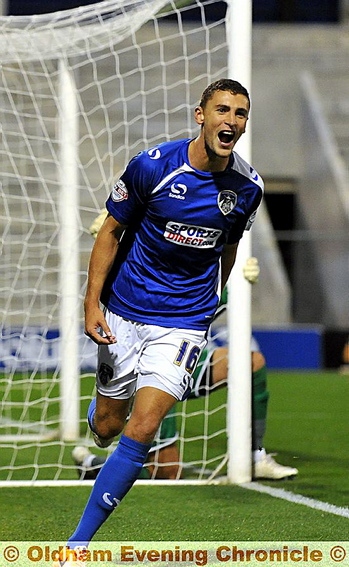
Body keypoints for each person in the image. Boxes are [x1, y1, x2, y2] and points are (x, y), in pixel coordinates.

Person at [54, 78, 264, 564]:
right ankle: (102, 419)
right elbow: (110, 231)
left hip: (183, 323)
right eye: (222, 110)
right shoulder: (153, 167)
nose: (230, 121)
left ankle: (77, 545)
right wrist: (92, 304)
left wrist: (212, 302)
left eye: (240, 113)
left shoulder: (247, 189)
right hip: (125, 312)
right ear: (200, 115)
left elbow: (227, 248)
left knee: (144, 427)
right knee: (108, 426)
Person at [73, 266, 298, 482]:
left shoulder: (205, 260)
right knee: (168, 471)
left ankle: (254, 456)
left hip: (185, 359)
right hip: (151, 365)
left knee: (251, 363)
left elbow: (215, 298)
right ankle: (97, 459)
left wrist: (240, 283)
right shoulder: (161, 259)